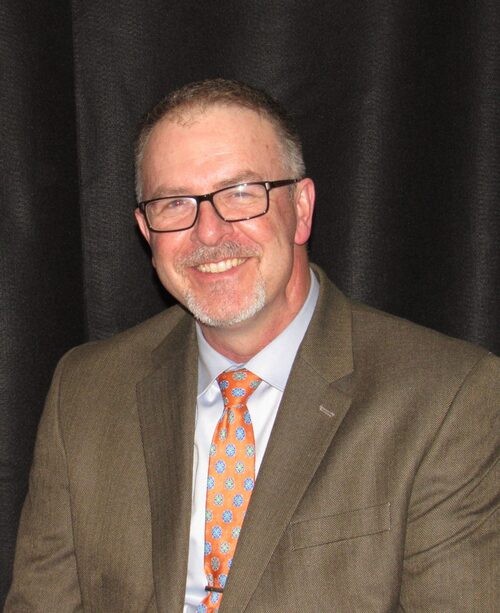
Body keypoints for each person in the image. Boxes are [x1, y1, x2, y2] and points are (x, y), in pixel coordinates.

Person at [5, 79, 498, 613]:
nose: (209, 232)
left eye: (240, 193)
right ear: (147, 231)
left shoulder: (448, 400)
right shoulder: (85, 391)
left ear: (301, 209)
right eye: (174, 203)